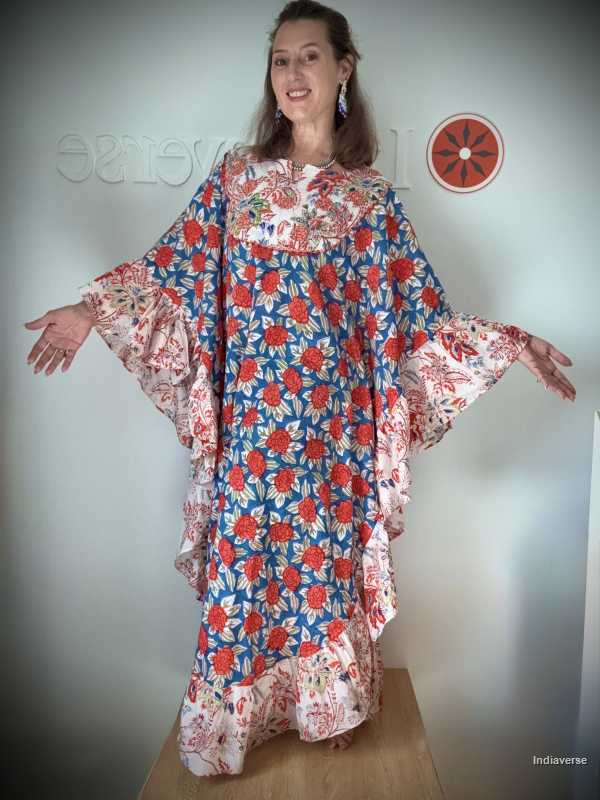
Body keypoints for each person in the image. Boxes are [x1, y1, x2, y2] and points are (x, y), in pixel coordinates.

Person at [23, 0, 576, 778]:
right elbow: (174, 271)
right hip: (252, 427)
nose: (292, 74)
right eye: (281, 59)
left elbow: (420, 321)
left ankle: (331, 706)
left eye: (309, 56)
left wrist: (510, 344)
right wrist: (90, 310)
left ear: (344, 67)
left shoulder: (371, 205)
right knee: (245, 569)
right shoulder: (236, 182)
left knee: (321, 567)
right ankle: (235, 727)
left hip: (331, 434)